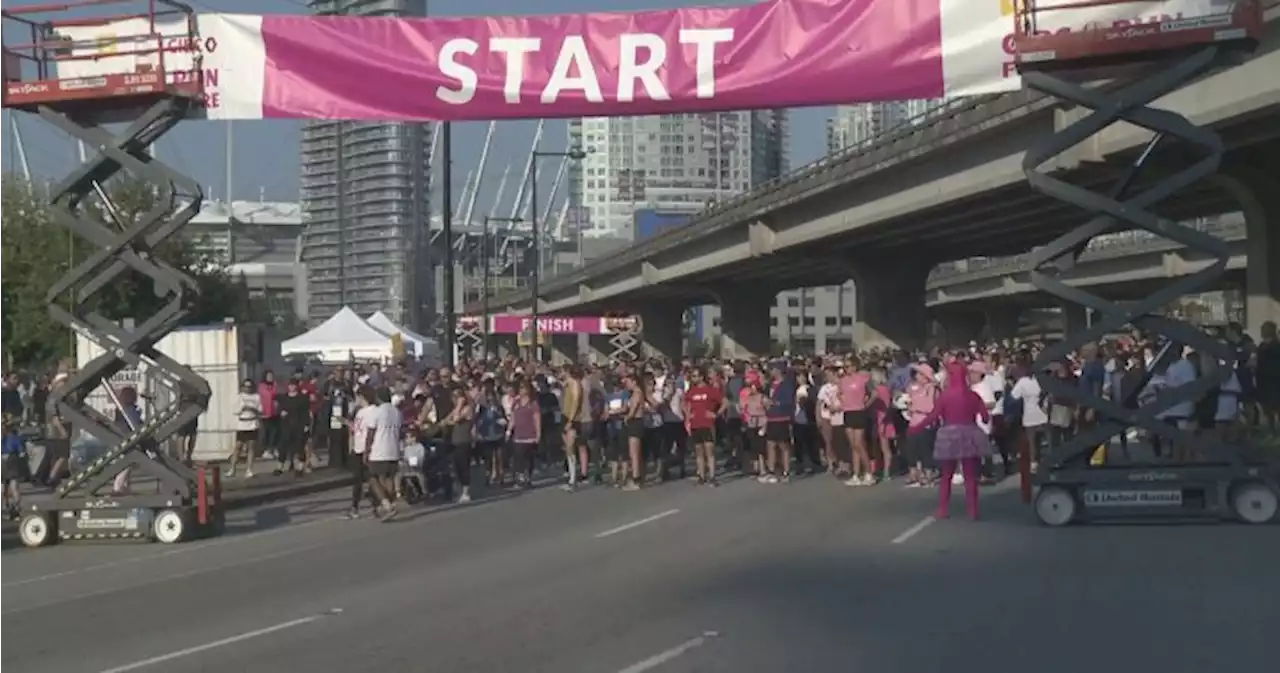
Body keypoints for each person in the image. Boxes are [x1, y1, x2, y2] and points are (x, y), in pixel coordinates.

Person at [911, 361, 992, 520]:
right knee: (970, 475)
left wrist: (916, 428)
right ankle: (972, 510)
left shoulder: (945, 396)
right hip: (969, 433)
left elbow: (933, 416)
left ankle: (943, 509)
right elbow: (985, 416)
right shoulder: (973, 396)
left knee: (947, 475)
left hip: (949, 434)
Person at [365, 387, 403, 521]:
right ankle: (391, 503)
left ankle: (386, 504)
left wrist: (367, 450)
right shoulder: (397, 412)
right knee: (388, 478)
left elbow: (370, 433)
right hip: (393, 449)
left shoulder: (378, 411)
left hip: (379, 450)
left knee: (372, 477)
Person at [683, 367, 725, 486]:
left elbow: (724, 402)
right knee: (699, 452)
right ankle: (701, 476)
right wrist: (688, 414)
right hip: (696, 424)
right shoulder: (692, 391)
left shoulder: (711, 390)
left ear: (702, 377)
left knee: (709, 452)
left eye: (696, 376)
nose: (694, 378)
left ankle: (712, 476)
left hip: (708, 424)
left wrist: (716, 414)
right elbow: (685, 403)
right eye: (692, 376)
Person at [226, 378, 261, 478]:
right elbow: (234, 410)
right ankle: (232, 469)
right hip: (242, 424)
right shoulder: (239, 397)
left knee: (251, 447)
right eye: (246, 386)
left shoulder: (256, 397)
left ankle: (249, 469)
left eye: (249, 386)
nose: (247, 388)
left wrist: (253, 409)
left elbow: (260, 409)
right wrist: (243, 408)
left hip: (253, 423)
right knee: (238, 447)